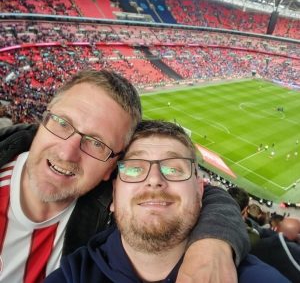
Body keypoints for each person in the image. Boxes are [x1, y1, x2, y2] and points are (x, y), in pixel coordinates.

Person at [0, 70, 249, 283]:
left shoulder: (111, 202)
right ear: (43, 118)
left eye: (97, 143)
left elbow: (201, 192)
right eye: (62, 123)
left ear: (113, 168)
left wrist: (211, 243)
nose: (68, 152)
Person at [45, 120, 289, 283]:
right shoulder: (73, 274)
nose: (154, 180)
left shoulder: (255, 277)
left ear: (200, 190)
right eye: (134, 168)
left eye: (173, 169)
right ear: (113, 194)